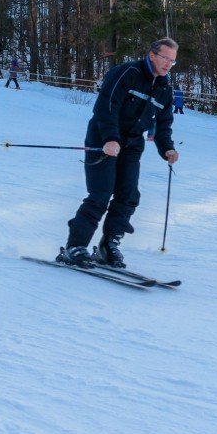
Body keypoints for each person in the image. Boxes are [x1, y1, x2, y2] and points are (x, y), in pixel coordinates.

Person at [58, 38, 181, 269]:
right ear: (152, 55)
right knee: (101, 193)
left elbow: (164, 124)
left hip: (133, 144)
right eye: (165, 58)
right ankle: (75, 246)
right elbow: (106, 107)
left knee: (128, 195)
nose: (168, 64)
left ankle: (108, 245)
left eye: (172, 61)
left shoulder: (165, 88)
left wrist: (167, 148)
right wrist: (110, 139)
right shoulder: (127, 72)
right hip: (103, 138)